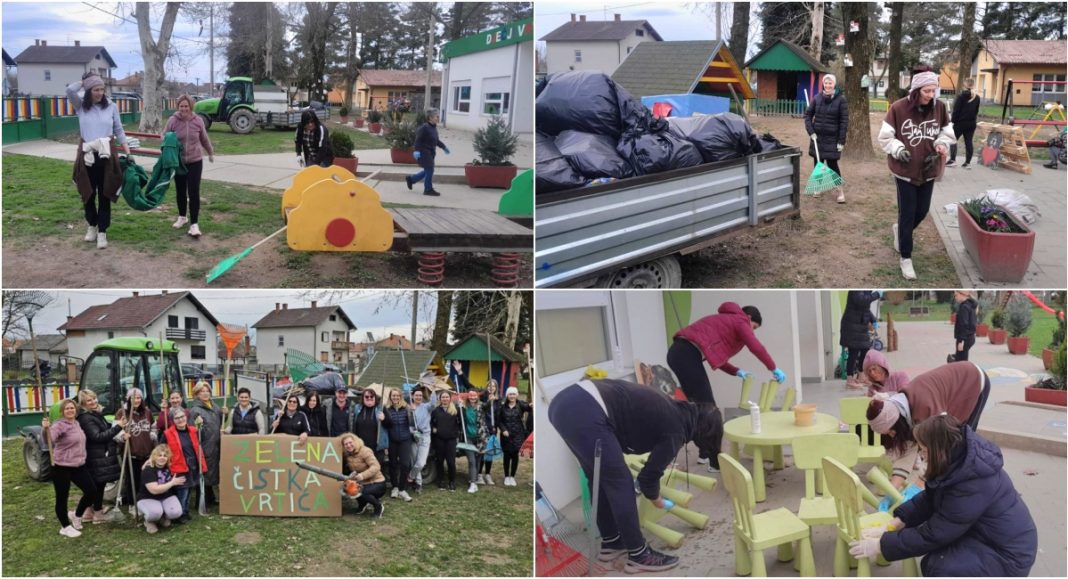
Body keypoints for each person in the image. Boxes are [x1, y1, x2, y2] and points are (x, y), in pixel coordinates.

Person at [548, 378, 722, 574]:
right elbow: (648, 477)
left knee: (598, 477)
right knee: (620, 481)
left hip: (564, 404)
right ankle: (640, 556)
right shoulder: (676, 429)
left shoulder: (672, 408)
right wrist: (657, 499)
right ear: (702, 432)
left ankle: (612, 544)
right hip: (585, 409)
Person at [848, 415, 1037, 576]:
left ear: (937, 449)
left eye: (923, 449)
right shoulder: (958, 461)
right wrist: (895, 523)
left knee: (938, 567)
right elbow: (929, 498)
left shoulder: (971, 484)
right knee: (934, 561)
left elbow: (933, 534)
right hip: (986, 536)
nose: (921, 455)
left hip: (1008, 555)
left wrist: (882, 545)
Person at [667, 302, 782, 470]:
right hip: (686, 354)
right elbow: (755, 346)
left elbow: (716, 357)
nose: (752, 331)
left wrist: (737, 371)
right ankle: (715, 462)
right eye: (754, 327)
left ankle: (704, 454)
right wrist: (773, 367)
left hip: (679, 353)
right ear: (749, 317)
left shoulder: (725, 321)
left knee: (697, 407)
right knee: (709, 409)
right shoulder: (740, 321)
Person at [878, 70, 956, 281]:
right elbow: (885, 137)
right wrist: (897, 149)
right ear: (916, 90)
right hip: (905, 171)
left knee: (921, 212)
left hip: (928, 170)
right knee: (908, 213)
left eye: (934, 90)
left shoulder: (939, 107)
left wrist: (941, 144)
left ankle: (901, 232)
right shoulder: (898, 108)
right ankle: (906, 257)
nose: (931, 94)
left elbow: (946, 132)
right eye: (927, 90)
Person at [866, 361, 991, 489]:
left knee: (961, 440)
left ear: (896, 423)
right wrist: (892, 489)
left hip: (972, 380)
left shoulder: (927, 410)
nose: (892, 435)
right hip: (950, 388)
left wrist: (921, 482)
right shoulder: (902, 411)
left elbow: (941, 446)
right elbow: (908, 452)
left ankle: (968, 485)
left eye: (891, 431)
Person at [66, 72, 130, 250]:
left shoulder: (111, 106)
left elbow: (118, 130)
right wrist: (85, 80)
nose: (100, 92)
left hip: (106, 155)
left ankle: (102, 231)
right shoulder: (81, 106)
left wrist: (127, 151)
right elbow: (69, 90)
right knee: (87, 193)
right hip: (87, 156)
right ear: (88, 90)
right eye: (96, 89)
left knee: (105, 194)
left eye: (102, 89)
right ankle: (92, 226)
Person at [43, 399, 96, 537]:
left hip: (78, 465)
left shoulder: (76, 423)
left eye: (72, 408)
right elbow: (50, 440)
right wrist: (46, 429)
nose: (70, 410)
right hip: (61, 466)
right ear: (62, 411)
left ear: (76, 410)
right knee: (62, 497)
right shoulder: (59, 425)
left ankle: (77, 515)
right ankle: (65, 527)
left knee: (91, 491)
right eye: (67, 409)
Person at [165, 94, 215, 237]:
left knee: (193, 192)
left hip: (195, 161)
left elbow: (204, 139)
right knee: (180, 191)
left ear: (190, 107)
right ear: (178, 107)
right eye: (181, 106)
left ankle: (194, 224)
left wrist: (210, 152)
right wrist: (167, 144)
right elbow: (164, 137)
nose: (184, 109)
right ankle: (182, 217)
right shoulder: (172, 120)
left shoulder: (198, 121)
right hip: (179, 162)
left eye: (186, 106)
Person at [75, 389, 126, 524]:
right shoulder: (85, 418)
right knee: (98, 484)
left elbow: (105, 428)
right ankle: (96, 514)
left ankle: (91, 512)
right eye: (89, 400)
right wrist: (118, 427)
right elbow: (97, 436)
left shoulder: (94, 414)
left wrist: (118, 432)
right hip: (95, 455)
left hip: (100, 454)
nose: (93, 402)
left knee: (100, 484)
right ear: (83, 403)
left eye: (94, 398)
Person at [804, 73, 849, 203]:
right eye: (826, 83)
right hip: (817, 138)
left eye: (830, 83)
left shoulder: (841, 100)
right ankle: (818, 187)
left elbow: (844, 122)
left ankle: (840, 191)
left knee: (832, 165)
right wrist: (811, 131)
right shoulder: (816, 98)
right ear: (823, 84)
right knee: (818, 163)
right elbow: (807, 116)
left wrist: (841, 140)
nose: (828, 85)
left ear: (834, 84)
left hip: (832, 139)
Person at [114, 387, 155, 512]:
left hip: (147, 453)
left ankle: (145, 502)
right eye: (133, 398)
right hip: (131, 453)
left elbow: (153, 427)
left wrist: (153, 434)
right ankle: (133, 504)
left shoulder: (147, 412)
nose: (136, 400)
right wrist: (122, 436)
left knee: (146, 479)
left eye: (138, 398)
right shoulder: (122, 413)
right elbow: (115, 432)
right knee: (133, 480)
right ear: (129, 399)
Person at [162, 408, 206, 523]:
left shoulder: (193, 430)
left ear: (186, 417)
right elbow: (161, 449)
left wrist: (201, 426)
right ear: (173, 420)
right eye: (177, 418)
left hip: (193, 465)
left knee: (190, 489)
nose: (180, 420)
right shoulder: (167, 434)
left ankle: (185, 511)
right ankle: (179, 514)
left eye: (182, 417)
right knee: (183, 492)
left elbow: (202, 439)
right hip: (179, 467)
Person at [187, 382, 223, 506]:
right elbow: (192, 431)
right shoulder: (195, 410)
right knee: (205, 473)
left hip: (216, 445)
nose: (205, 393)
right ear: (197, 394)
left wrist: (225, 413)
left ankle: (211, 497)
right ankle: (201, 501)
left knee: (213, 472)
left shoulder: (215, 406)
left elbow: (220, 421)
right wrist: (198, 426)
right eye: (202, 391)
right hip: (205, 446)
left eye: (207, 390)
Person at [137, 444, 185, 534]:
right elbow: (154, 490)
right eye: (159, 455)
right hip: (148, 497)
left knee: (176, 512)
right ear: (154, 456)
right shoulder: (148, 469)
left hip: (166, 496)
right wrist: (172, 483)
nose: (162, 458)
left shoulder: (168, 466)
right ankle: (149, 521)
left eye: (165, 456)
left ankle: (162, 517)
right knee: (154, 513)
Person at [840, 291, 882, 389]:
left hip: (861, 326)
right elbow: (862, 301)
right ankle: (850, 378)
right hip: (851, 325)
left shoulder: (866, 291)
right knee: (853, 352)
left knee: (865, 350)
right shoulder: (856, 291)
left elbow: (865, 308)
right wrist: (876, 294)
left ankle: (861, 375)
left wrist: (873, 320)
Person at [404, 108, 449, 196]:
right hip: (423, 152)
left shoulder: (434, 128)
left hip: (431, 152)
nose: (438, 118)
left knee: (428, 170)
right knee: (430, 169)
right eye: (436, 116)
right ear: (430, 118)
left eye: (438, 116)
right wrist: (416, 151)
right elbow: (417, 140)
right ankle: (428, 189)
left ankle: (411, 179)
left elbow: (436, 140)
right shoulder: (424, 128)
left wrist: (444, 147)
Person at [340, 433, 386, 518]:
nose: (348, 445)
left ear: (355, 441)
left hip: (377, 482)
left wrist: (362, 475)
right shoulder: (348, 455)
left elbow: (376, 466)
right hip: (363, 483)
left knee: (361, 492)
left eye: (350, 442)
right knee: (350, 489)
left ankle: (378, 506)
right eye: (346, 444)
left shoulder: (365, 451)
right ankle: (362, 504)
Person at [380, 388, 414, 502]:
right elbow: (385, 425)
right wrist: (383, 419)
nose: (395, 397)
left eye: (397, 395)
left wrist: (414, 412)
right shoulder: (386, 409)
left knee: (405, 464)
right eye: (393, 396)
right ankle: (394, 487)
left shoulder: (407, 408)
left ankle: (402, 488)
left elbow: (413, 423)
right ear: (390, 397)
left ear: (401, 396)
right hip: (392, 440)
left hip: (405, 439)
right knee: (393, 464)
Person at [497, 386, 531, 487]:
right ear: (507, 395)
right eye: (510, 394)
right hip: (506, 435)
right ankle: (506, 476)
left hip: (518, 435)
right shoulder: (502, 406)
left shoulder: (520, 404)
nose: (512, 396)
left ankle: (512, 476)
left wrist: (530, 405)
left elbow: (528, 407)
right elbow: (499, 420)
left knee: (515, 456)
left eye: (514, 394)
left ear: (517, 395)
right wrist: (503, 430)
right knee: (507, 456)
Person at [431, 390, 461, 491]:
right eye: (443, 397)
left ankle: (452, 481)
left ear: (450, 398)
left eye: (446, 397)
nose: (445, 399)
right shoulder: (436, 410)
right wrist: (433, 429)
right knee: (439, 461)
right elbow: (431, 422)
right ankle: (441, 481)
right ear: (440, 399)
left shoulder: (455, 410)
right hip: (439, 439)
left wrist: (462, 408)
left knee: (451, 462)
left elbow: (461, 422)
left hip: (451, 440)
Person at [947, 78, 980, 168]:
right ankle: (967, 163)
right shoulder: (977, 97)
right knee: (969, 142)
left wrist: (953, 121)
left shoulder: (961, 96)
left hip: (960, 123)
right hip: (971, 123)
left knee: (953, 140)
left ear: (964, 85)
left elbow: (956, 111)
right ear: (973, 85)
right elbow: (976, 111)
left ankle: (953, 160)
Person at [459, 391, 487, 493]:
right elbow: (459, 417)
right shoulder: (464, 407)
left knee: (478, 460)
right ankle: (473, 483)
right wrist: (460, 406)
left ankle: (473, 480)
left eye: (474, 396)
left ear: (477, 397)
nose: (472, 397)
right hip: (468, 438)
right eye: (471, 396)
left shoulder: (481, 407)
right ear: (468, 397)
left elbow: (488, 405)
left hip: (480, 438)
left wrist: (491, 400)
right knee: (471, 461)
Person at [407, 387, 433, 492]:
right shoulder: (408, 408)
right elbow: (407, 423)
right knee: (414, 461)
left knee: (421, 463)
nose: (419, 397)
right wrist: (412, 431)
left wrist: (433, 390)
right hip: (413, 437)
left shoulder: (426, 407)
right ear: (412, 396)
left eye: (420, 395)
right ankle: (418, 484)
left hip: (425, 437)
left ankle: (410, 477)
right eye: (416, 395)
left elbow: (433, 403)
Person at [480, 379, 502, 485]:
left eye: (493, 386)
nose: (491, 388)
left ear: (496, 388)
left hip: (493, 429)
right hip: (483, 428)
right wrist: (460, 372)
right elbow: (469, 386)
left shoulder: (498, 400)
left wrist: (497, 426)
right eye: (489, 386)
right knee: (482, 451)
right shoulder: (483, 396)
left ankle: (487, 474)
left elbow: (500, 415)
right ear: (487, 387)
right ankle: (479, 474)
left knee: (490, 452)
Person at [355, 388, 386, 465]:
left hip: (377, 447)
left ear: (375, 398)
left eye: (371, 396)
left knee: (376, 469)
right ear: (363, 398)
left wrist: (384, 419)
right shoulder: (357, 408)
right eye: (367, 396)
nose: (369, 398)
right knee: (362, 469)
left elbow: (390, 424)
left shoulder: (381, 408)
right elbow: (353, 424)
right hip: (361, 447)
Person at [952, 291, 978, 362]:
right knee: (962, 360)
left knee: (960, 362)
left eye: (956, 295)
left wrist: (961, 341)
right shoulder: (970, 304)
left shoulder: (964, 307)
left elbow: (964, 325)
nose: (955, 298)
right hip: (970, 337)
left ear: (962, 294)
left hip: (965, 338)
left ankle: (965, 373)